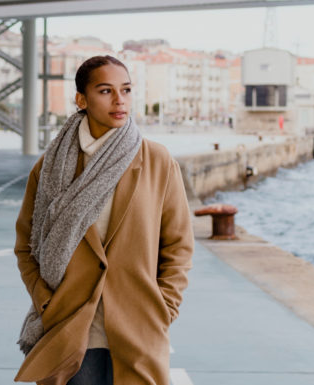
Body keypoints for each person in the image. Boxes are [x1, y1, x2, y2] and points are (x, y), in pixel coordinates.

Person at [13, 55, 194, 385]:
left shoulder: (156, 161)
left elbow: (179, 245)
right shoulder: (51, 168)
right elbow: (26, 245)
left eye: (125, 90)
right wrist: (43, 299)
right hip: (69, 323)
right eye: (105, 90)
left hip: (139, 324)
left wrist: (165, 308)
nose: (119, 100)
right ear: (81, 99)